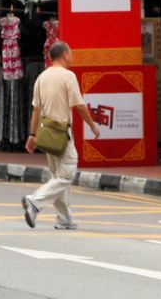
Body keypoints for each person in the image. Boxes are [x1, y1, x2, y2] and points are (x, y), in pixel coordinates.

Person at [21, 41, 100, 230]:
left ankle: (64, 219)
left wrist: (32, 135)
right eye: (70, 52)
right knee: (67, 174)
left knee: (58, 176)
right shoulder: (68, 76)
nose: (72, 56)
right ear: (64, 54)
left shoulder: (41, 77)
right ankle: (35, 201)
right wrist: (92, 125)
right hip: (62, 132)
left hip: (46, 132)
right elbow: (80, 105)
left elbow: (36, 110)